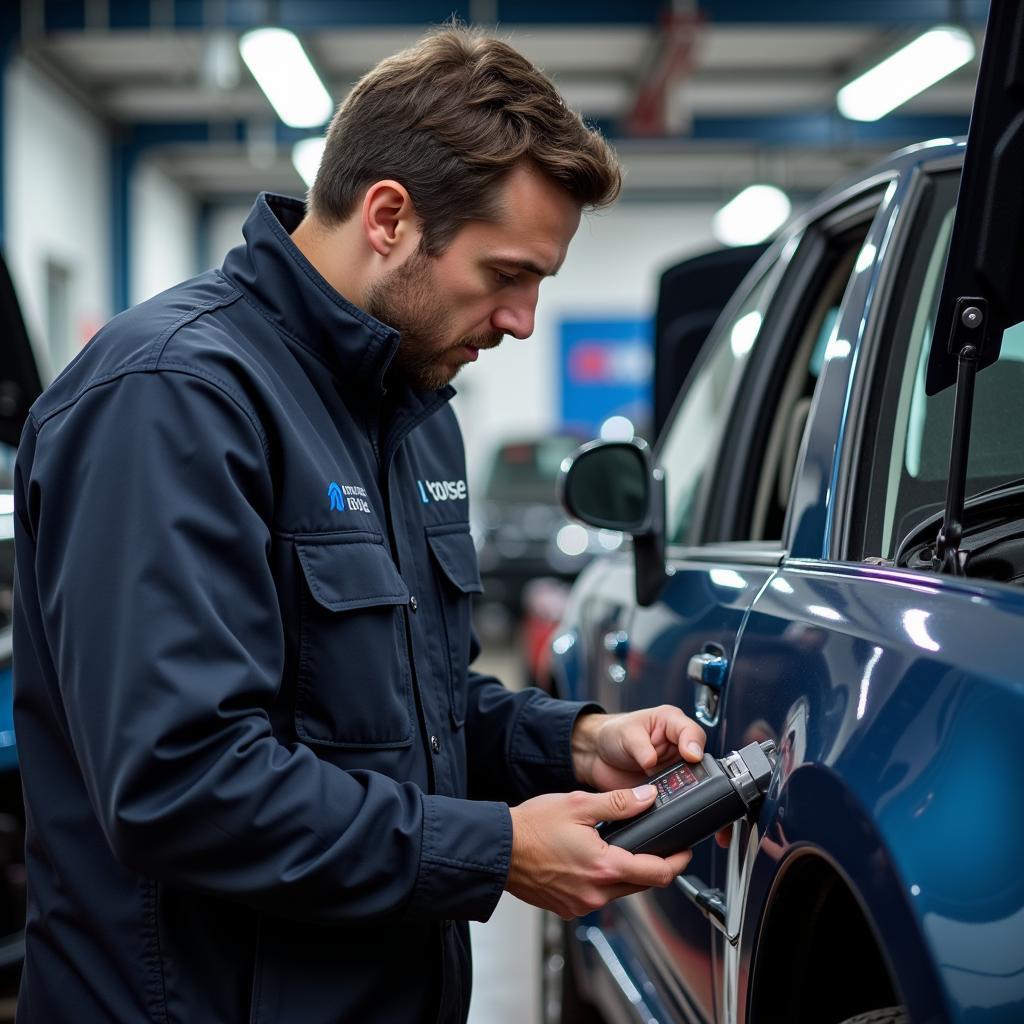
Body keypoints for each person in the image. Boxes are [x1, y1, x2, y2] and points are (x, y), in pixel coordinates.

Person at [11, 25, 708, 1024]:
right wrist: (497, 850)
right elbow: (181, 781)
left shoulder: (414, 414)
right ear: (387, 216)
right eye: (506, 272)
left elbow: (410, 712)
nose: (520, 320)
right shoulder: (172, 397)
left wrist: (576, 743)